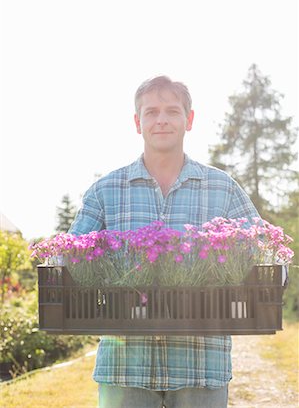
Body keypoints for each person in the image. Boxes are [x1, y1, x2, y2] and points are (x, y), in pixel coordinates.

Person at [69, 76, 260, 408]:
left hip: (200, 366)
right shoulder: (106, 190)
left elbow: (259, 250)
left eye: (172, 111)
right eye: (151, 111)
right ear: (137, 122)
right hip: (125, 369)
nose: (161, 120)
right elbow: (69, 258)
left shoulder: (222, 187)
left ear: (189, 120)